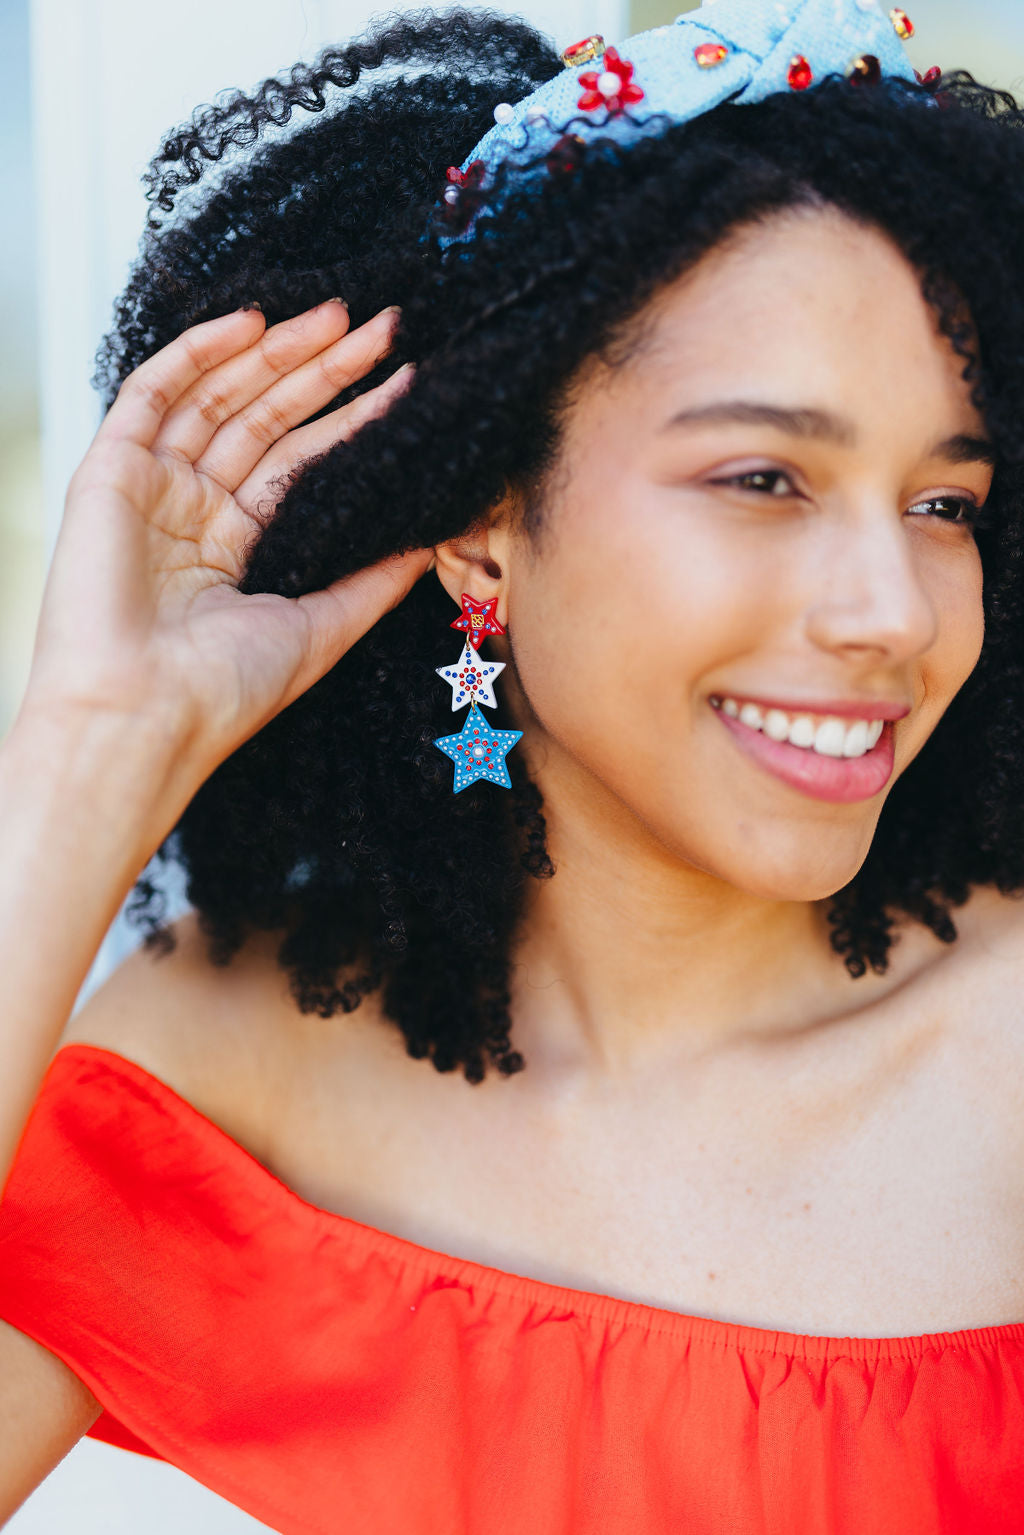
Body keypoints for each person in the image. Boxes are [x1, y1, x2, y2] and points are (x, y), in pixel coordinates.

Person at [1, 0, 1024, 1528]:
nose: (892, 613)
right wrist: (88, 756)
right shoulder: (210, 1085)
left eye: (946, 506)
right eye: (764, 479)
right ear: (482, 521)